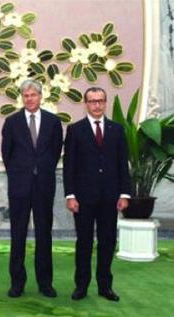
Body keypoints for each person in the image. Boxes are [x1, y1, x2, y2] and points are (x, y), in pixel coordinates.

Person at [63, 87, 130, 302]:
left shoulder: (117, 130)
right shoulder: (75, 130)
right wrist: (70, 195)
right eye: (92, 101)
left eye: (100, 100)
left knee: (107, 241)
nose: (97, 105)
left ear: (106, 102)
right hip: (83, 199)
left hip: (110, 197)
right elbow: (69, 166)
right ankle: (81, 286)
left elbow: (122, 164)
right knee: (84, 242)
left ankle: (105, 287)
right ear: (85, 103)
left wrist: (124, 194)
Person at [1, 79, 63, 298]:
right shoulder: (11, 122)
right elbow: (7, 154)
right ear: (22, 98)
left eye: (33, 95)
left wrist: (40, 171)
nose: (29, 99)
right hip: (19, 187)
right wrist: (21, 174)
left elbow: (55, 152)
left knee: (44, 235)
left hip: (44, 186)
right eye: (26, 96)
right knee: (17, 235)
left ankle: (45, 283)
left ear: (40, 96)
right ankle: (17, 283)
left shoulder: (53, 122)